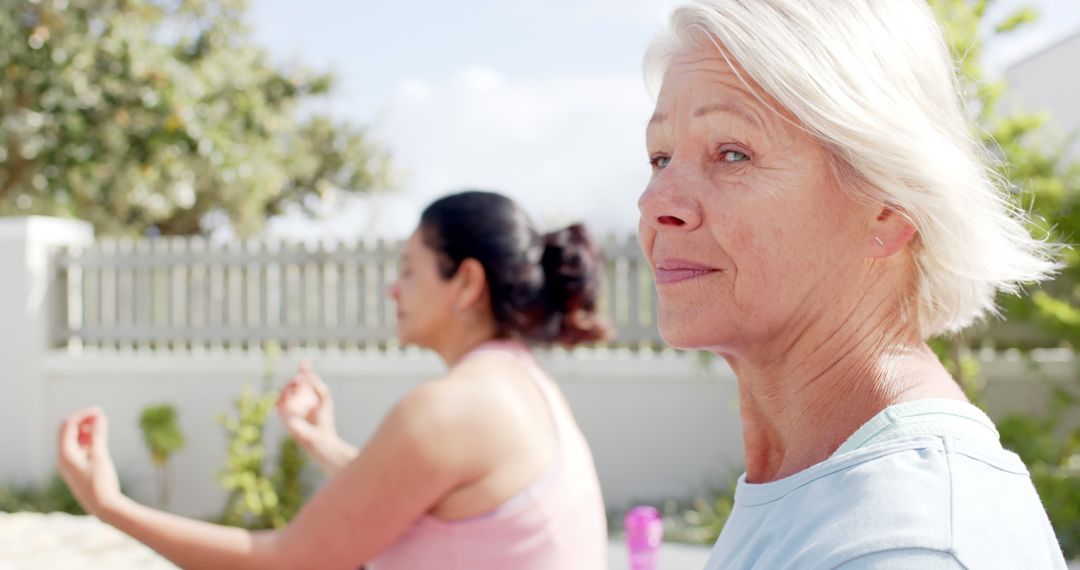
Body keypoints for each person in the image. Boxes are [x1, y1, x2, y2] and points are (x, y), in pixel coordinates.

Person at [638, 1, 1068, 568]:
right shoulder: (822, 489)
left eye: (733, 153)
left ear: (889, 207)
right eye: (661, 157)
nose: (656, 202)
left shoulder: (902, 544)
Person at [57, 190, 610, 569]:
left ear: (466, 283)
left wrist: (109, 505)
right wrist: (320, 442)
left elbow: (288, 562)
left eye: (408, 271)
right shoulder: (519, 382)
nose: (393, 290)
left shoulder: (450, 408)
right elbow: (427, 500)